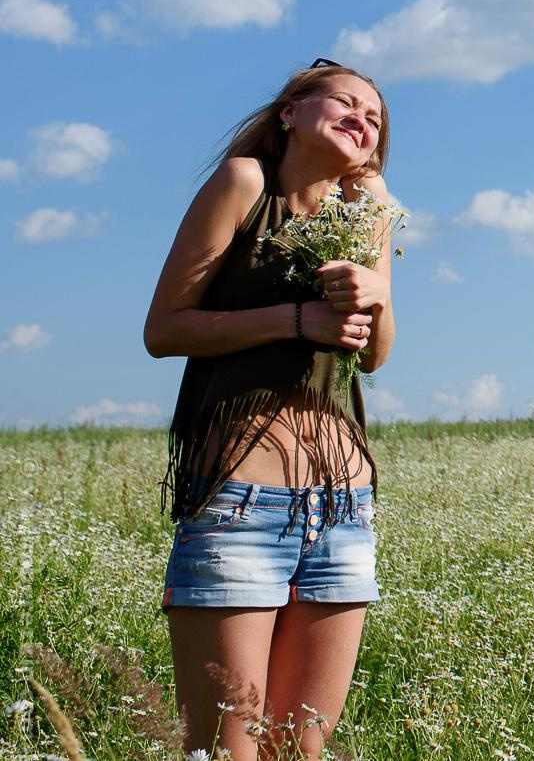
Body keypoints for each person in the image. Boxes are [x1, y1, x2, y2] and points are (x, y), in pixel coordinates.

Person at [143, 61, 400, 761]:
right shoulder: (243, 185)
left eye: (374, 117)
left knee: (301, 750)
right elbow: (164, 328)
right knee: (229, 750)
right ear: (290, 112)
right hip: (240, 499)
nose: (363, 118)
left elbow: (374, 355)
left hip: (344, 505)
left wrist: (374, 283)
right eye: (345, 102)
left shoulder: (365, 215)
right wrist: (294, 319)